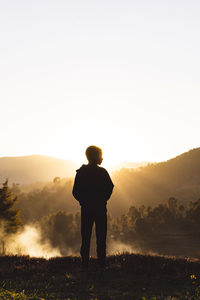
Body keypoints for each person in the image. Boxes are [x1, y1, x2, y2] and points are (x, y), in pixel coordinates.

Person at [72, 145, 114, 268]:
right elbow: (110, 187)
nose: (102, 158)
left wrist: (83, 202)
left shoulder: (81, 172)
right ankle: (101, 264)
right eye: (100, 155)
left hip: (86, 209)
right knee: (101, 238)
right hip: (100, 209)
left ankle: (85, 264)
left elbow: (75, 192)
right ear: (95, 156)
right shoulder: (102, 172)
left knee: (85, 237)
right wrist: (102, 200)